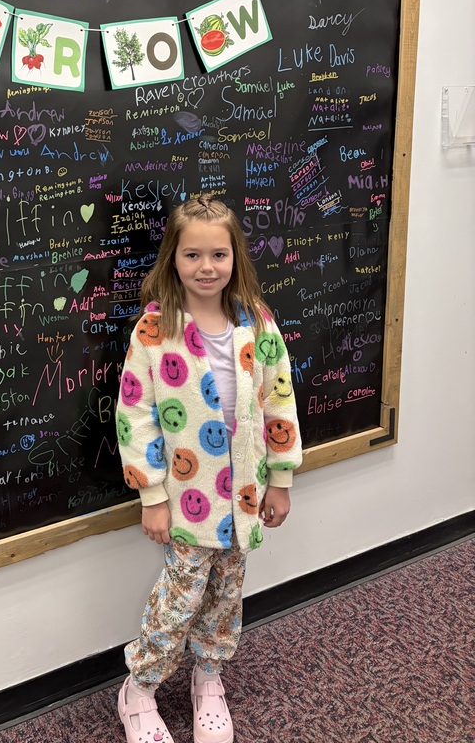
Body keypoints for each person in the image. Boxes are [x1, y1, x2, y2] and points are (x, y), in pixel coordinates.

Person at [115, 194, 302, 743]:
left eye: (218, 254)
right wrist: (152, 496)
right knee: (179, 598)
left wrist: (280, 481)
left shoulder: (257, 323)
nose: (206, 267)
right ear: (173, 258)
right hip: (187, 497)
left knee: (226, 594)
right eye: (192, 255)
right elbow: (136, 416)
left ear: (235, 256)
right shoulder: (155, 330)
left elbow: (279, 402)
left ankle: (208, 676)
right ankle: (139, 689)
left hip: (244, 495)